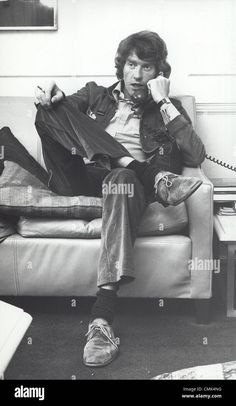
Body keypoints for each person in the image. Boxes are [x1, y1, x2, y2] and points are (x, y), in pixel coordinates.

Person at [34, 31, 205, 367]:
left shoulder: (166, 108)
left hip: (123, 188)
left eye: (146, 67)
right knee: (48, 112)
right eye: (130, 64)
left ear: (158, 73)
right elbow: (57, 119)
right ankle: (149, 175)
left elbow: (196, 154)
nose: (137, 75)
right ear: (121, 66)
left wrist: (164, 102)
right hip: (79, 178)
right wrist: (51, 94)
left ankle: (101, 320)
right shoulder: (96, 95)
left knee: (121, 178)